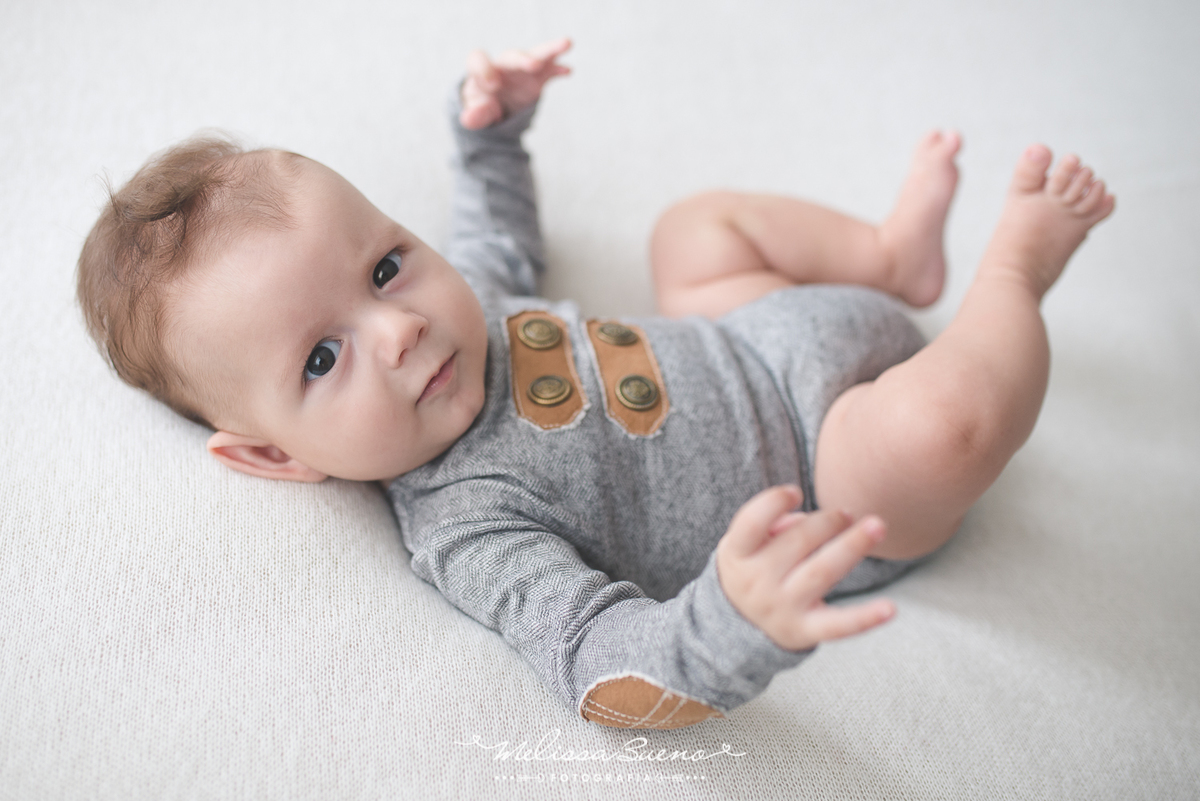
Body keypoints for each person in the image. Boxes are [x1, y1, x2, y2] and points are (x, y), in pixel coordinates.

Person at [75, 37, 1114, 728]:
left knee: (691, 230)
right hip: (833, 467)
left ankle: (891, 261)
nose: (398, 328)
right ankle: (1012, 278)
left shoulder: (468, 306)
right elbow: (594, 659)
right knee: (938, 427)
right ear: (272, 454)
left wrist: (489, 132)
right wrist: (728, 622)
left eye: (385, 265)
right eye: (321, 358)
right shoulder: (468, 525)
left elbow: (493, 230)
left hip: (749, 322)